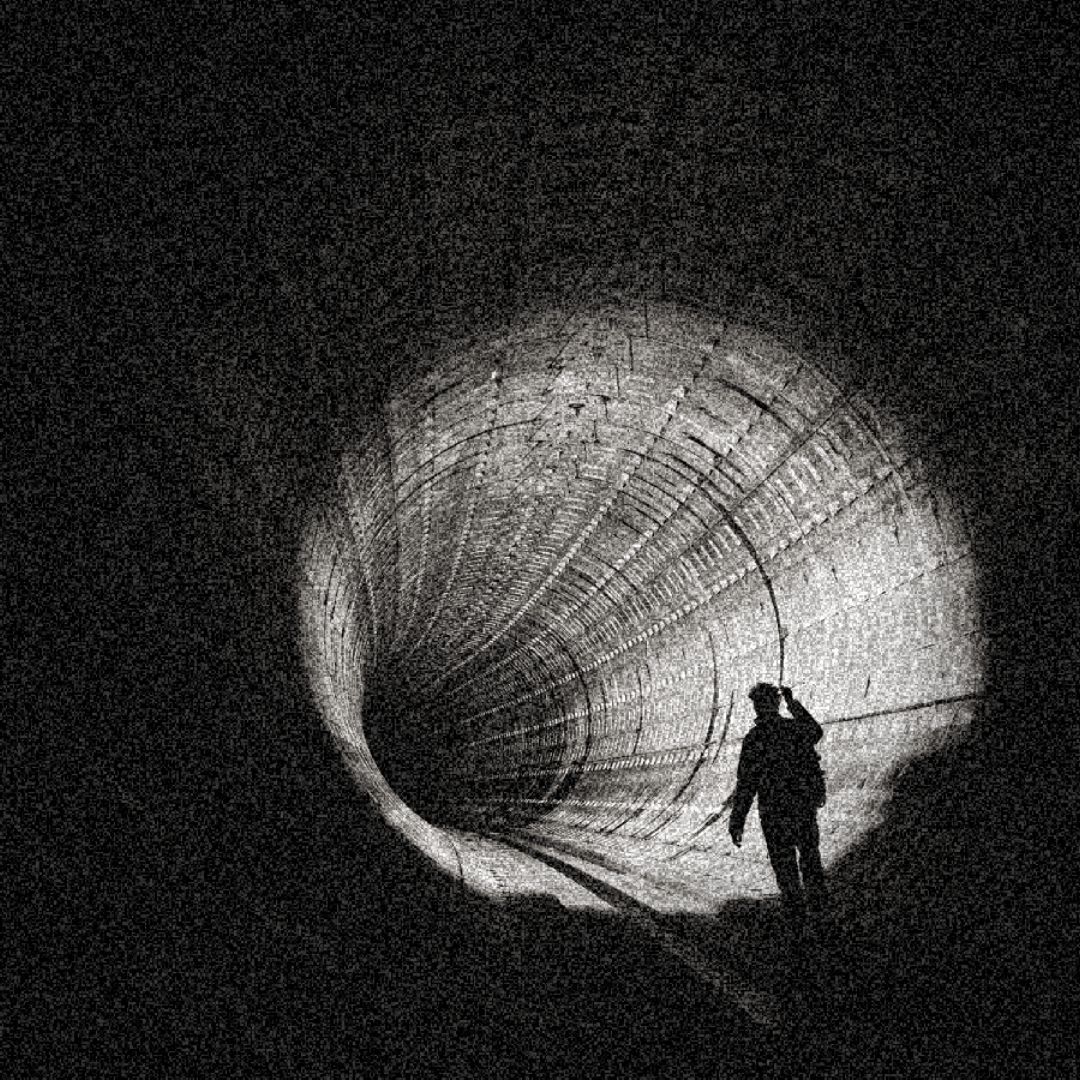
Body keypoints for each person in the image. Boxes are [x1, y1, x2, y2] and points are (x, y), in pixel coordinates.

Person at [728, 683, 827, 924]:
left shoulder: (754, 739)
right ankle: (820, 913)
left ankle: (796, 916)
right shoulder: (793, 729)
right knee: (810, 858)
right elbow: (815, 732)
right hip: (802, 805)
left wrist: (737, 820)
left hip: (774, 812)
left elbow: (746, 784)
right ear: (777, 703)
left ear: (757, 706)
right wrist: (793, 704)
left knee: (784, 866)